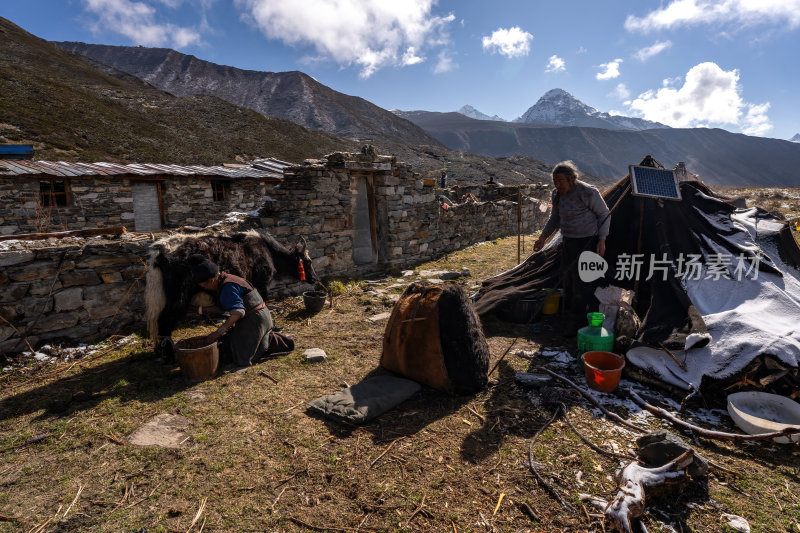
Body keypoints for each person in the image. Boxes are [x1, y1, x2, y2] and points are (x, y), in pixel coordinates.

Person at [533, 160, 610, 322]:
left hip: (587, 241)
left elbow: (604, 214)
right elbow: (554, 218)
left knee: (582, 280)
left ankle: (580, 318)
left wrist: (601, 240)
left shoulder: (587, 192)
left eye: (560, 181)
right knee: (567, 276)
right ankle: (569, 314)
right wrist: (543, 237)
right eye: (555, 181)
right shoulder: (557, 194)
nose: (557, 185)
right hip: (567, 240)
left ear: (572, 179)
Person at [189, 254, 274, 367]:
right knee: (226, 344)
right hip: (262, 317)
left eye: (204, 286)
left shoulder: (228, 287)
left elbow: (238, 312)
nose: (204, 289)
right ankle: (263, 340)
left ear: (211, 281)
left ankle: (268, 343)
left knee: (235, 355)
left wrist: (219, 331)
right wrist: (200, 310)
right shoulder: (227, 279)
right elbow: (222, 307)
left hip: (255, 321)